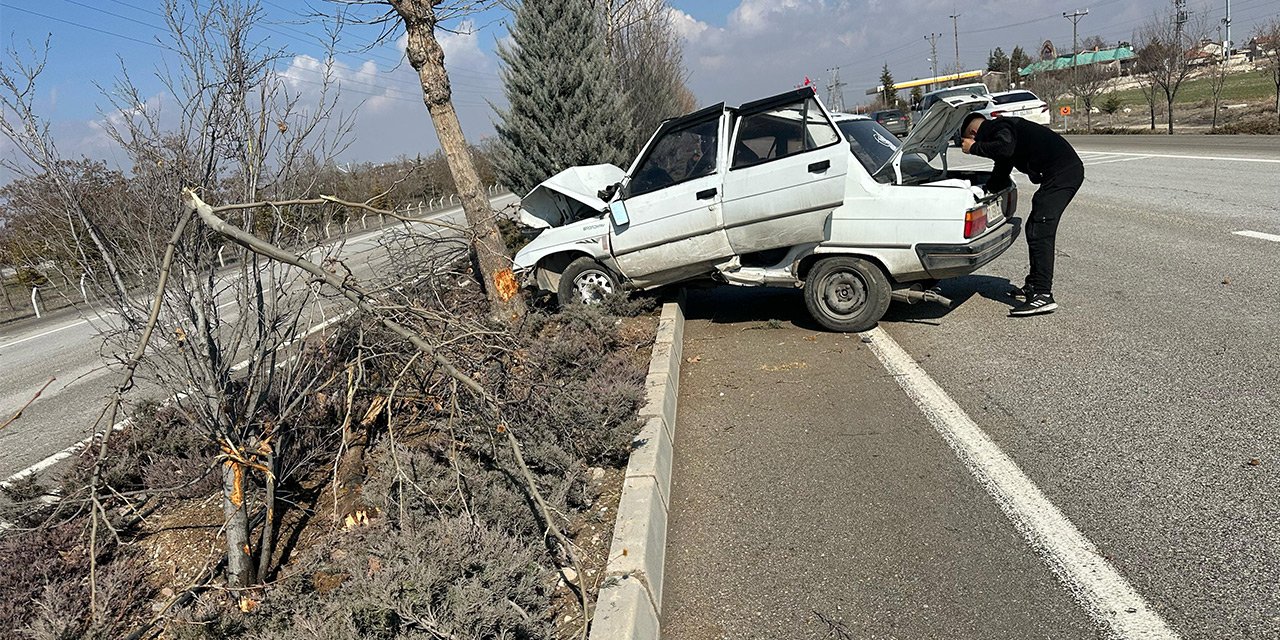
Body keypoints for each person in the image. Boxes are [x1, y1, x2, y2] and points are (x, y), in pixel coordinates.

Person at [961, 112, 1084, 317]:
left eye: (969, 139)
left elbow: (1004, 148)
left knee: (1040, 229)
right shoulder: (1004, 130)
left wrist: (973, 148)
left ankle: (1043, 295)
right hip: (1062, 172)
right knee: (1034, 227)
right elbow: (1002, 165)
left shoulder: (997, 128)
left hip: (1064, 173)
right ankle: (1034, 286)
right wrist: (985, 190)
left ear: (974, 132)